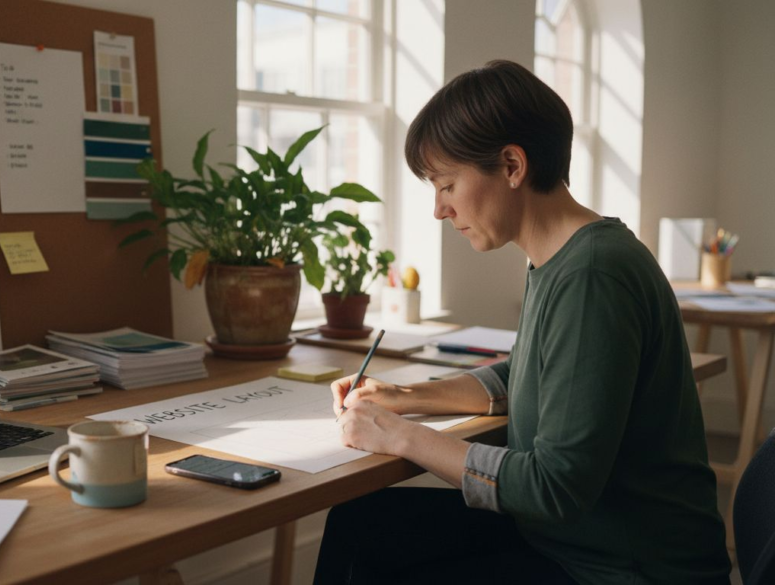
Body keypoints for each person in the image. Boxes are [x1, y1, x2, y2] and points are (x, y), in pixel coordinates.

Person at [313, 60, 731, 584]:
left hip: (621, 568)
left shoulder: (593, 274)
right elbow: (526, 375)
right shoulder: (559, 257)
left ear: (512, 166)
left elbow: (554, 488)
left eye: (446, 184)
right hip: (572, 543)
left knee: (369, 551)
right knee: (359, 528)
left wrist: (401, 437)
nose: (439, 210)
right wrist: (404, 397)